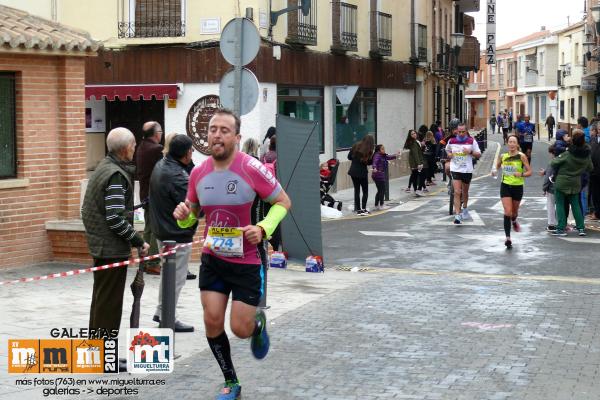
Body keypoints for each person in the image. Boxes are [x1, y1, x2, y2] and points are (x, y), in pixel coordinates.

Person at [173, 109, 292, 399]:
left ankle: (257, 325)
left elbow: (283, 201)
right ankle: (232, 382)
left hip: (247, 261)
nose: (217, 134)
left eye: (225, 130)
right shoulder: (198, 174)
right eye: (213, 129)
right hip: (213, 259)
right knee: (212, 321)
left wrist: (263, 228)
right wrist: (183, 216)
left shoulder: (251, 168)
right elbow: (192, 216)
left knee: (239, 329)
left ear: (237, 138)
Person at [81, 127, 150, 373]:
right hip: (110, 248)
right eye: (133, 146)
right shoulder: (116, 175)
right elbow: (115, 218)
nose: (135, 150)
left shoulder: (104, 167)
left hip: (102, 246)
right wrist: (137, 241)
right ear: (124, 148)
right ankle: (103, 359)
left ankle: (98, 354)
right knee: (109, 306)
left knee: (101, 303)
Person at [149, 135, 197, 333]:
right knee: (176, 279)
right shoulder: (178, 177)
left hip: (162, 230)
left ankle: (162, 312)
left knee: (168, 276)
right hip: (175, 233)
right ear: (186, 154)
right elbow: (193, 205)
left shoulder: (161, 164)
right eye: (191, 151)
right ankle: (168, 317)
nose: (193, 154)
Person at [164, 132, 196, 280]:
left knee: (171, 274)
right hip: (176, 229)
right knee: (174, 277)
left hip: (172, 227)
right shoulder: (178, 172)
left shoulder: (166, 165)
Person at [551, 130, 593, 237]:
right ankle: (581, 228)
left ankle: (560, 227)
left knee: (560, 204)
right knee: (576, 205)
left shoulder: (567, 154)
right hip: (576, 182)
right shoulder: (586, 156)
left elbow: (554, 162)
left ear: (573, 141)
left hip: (562, 182)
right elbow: (590, 168)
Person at [493, 135, 532, 248]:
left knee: (514, 213)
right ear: (507, 143)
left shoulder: (522, 156)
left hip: (517, 186)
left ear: (517, 144)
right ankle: (508, 238)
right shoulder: (503, 156)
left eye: (513, 142)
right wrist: (494, 171)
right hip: (505, 186)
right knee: (507, 212)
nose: (511, 144)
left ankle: (514, 220)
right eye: (510, 142)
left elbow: (530, 172)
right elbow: (496, 168)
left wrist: (522, 174)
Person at [136, 121, 164, 275]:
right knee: (154, 229)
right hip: (155, 195)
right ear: (156, 133)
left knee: (147, 229)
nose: (161, 134)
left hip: (144, 193)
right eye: (160, 131)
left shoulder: (141, 147)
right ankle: (153, 262)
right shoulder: (156, 149)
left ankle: (145, 261)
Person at [445, 122, 481, 224]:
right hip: (455, 169)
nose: (461, 133)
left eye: (463, 132)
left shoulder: (471, 141)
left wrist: (469, 152)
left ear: (466, 131)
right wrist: (449, 155)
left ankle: (464, 207)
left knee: (465, 192)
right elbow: (447, 149)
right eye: (459, 131)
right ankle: (457, 215)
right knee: (457, 192)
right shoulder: (452, 141)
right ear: (456, 131)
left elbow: (478, 154)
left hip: (467, 170)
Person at [260, 136, 281, 250]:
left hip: (264, 192)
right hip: (277, 192)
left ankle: (269, 243)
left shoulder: (263, 157)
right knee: (276, 218)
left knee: (266, 217)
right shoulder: (280, 157)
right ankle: (276, 247)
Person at [347, 134, 375, 214]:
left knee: (357, 190)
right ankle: (364, 208)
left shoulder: (355, 145)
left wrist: (356, 159)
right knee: (365, 191)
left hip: (353, 171)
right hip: (362, 173)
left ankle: (358, 210)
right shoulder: (369, 150)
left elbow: (349, 157)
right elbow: (369, 163)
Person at [372, 144, 398, 210]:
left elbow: (389, 157)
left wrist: (396, 155)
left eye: (384, 148)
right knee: (382, 190)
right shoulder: (377, 155)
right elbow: (374, 162)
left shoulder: (383, 155)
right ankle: (381, 205)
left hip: (380, 175)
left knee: (380, 190)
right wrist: (374, 168)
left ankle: (376, 205)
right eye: (382, 149)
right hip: (378, 175)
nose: (384, 150)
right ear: (379, 150)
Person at [540, 145, 558, 232]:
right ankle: (561, 223)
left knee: (550, 205)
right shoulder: (564, 160)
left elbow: (548, 177)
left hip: (552, 187)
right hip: (563, 186)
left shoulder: (552, 162)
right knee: (560, 205)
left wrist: (544, 188)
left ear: (552, 153)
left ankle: (552, 224)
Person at [404, 129, 425, 197]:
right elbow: (415, 153)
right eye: (412, 134)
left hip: (415, 161)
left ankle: (416, 190)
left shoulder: (415, 141)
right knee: (421, 175)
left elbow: (419, 151)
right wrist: (419, 163)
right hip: (415, 162)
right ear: (410, 136)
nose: (414, 135)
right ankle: (418, 190)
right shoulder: (413, 142)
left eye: (414, 133)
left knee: (415, 176)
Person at [589, 123, 600, 221]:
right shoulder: (593, 140)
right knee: (595, 193)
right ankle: (597, 213)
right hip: (594, 171)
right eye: (599, 129)